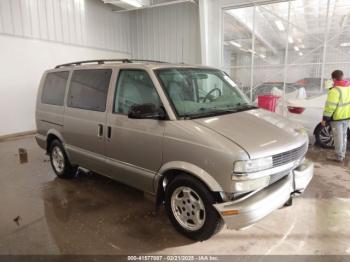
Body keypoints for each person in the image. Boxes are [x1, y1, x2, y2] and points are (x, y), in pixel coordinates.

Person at [322, 70, 350, 162]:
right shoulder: (348, 87)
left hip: (337, 118)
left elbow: (330, 106)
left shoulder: (335, 90)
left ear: (333, 78)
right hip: (347, 116)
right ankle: (342, 154)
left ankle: (338, 156)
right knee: (344, 136)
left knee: (338, 137)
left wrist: (325, 118)